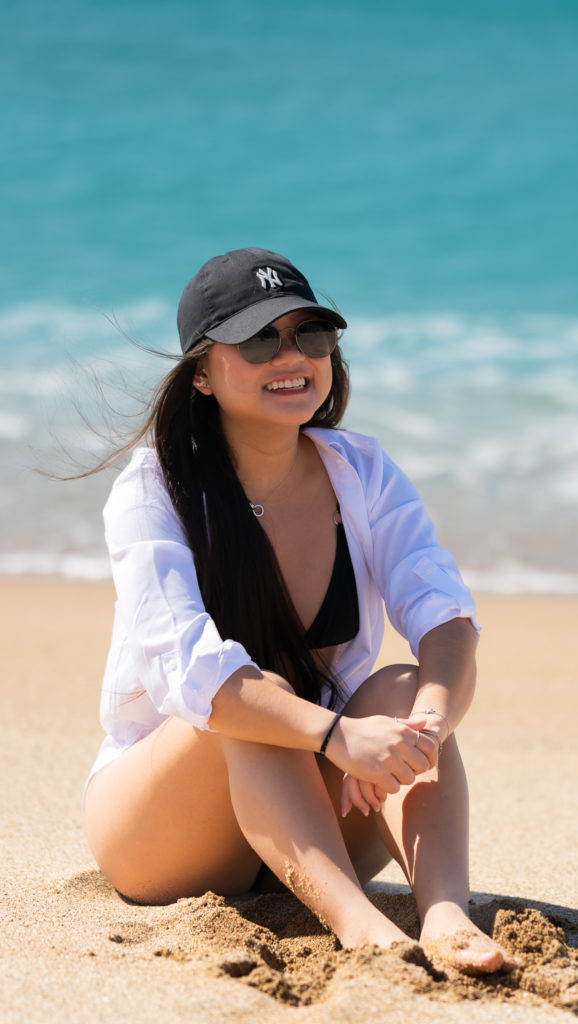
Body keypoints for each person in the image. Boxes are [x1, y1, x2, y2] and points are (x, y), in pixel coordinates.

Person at [83, 247, 520, 975]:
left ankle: (443, 910)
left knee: (408, 687)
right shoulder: (152, 489)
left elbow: (443, 613)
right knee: (248, 700)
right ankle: (361, 931)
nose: (292, 356)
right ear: (201, 371)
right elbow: (195, 676)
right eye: (259, 339)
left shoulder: (361, 470)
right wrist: (336, 737)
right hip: (165, 835)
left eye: (309, 335)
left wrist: (428, 725)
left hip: (319, 819)